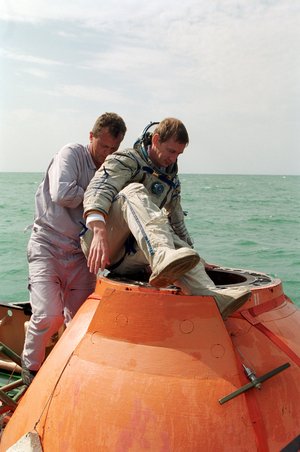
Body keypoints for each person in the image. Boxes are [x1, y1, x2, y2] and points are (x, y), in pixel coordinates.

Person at [81, 118, 251, 318]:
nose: (174, 158)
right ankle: (161, 255)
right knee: (133, 191)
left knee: (182, 248)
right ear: (155, 140)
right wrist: (99, 232)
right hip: (103, 242)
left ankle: (210, 295)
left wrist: (193, 256)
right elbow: (99, 189)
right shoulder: (126, 160)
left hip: (132, 254)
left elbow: (177, 221)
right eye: (171, 151)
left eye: (178, 154)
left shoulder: (171, 182)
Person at [21, 112, 127, 386]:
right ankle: (30, 371)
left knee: (80, 321)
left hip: (81, 253)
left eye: (114, 149)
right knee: (48, 316)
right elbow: (63, 194)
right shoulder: (71, 153)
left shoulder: (112, 167)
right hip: (47, 244)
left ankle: (69, 375)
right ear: (91, 136)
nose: (107, 154)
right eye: (103, 146)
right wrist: (100, 198)